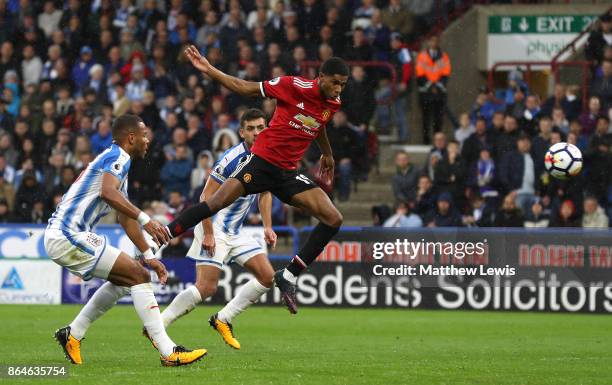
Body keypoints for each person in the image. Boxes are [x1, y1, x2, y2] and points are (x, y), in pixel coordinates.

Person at [161, 46, 348, 315]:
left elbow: (318, 123)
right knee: (214, 203)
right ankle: (167, 233)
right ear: (320, 77)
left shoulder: (333, 103)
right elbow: (244, 87)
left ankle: (290, 274)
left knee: (334, 218)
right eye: (334, 83)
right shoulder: (292, 85)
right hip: (261, 163)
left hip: (287, 173)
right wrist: (209, 69)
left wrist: (327, 154)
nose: (338, 89)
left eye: (342, 85)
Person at [45, 114, 205, 367]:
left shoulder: (119, 163)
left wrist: (150, 257)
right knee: (138, 277)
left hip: (67, 234)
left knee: (127, 280)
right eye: (144, 135)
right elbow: (107, 193)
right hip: (67, 234)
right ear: (131, 138)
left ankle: (72, 334)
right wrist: (147, 220)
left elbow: (124, 218)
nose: (148, 140)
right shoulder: (117, 157)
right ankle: (168, 351)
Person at [156, 109, 277, 350]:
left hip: (236, 231)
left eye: (261, 127)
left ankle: (223, 319)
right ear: (242, 132)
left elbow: (265, 193)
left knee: (267, 276)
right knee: (207, 288)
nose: (256, 132)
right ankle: (158, 324)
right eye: (251, 128)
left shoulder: (269, 157)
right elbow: (205, 196)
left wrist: (268, 226)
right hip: (214, 226)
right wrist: (208, 232)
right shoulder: (232, 158)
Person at [415, 35, 451, 144]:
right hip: (425, 92)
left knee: (438, 119)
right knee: (426, 118)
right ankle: (426, 141)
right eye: (431, 40)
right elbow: (419, 74)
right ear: (428, 42)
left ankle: (437, 142)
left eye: (436, 40)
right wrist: (430, 86)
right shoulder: (422, 56)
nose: (433, 43)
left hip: (439, 93)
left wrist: (437, 86)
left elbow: (446, 73)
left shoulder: (444, 56)